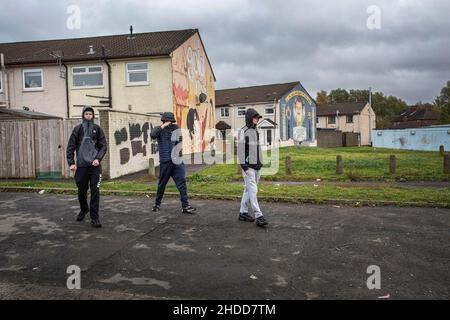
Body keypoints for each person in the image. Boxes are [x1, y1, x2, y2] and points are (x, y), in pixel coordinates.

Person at [67, 106, 107, 228]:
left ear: (93, 116)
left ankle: (94, 218)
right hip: (81, 166)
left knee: (95, 191)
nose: (88, 116)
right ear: (83, 116)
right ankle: (84, 209)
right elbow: (70, 147)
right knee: (81, 191)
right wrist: (71, 163)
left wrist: (98, 159)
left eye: (90, 114)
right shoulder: (78, 129)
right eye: (86, 114)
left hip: (94, 167)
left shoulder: (97, 129)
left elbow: (103, 146)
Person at [150, 112, 196, 214]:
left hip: (177, 162)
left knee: (182, 183)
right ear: (163, 121)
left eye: (170, 121)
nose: (169, 123)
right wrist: (163, 126)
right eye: (167, 121)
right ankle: (157, 204)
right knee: (162, 184)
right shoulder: (158, 129)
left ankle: (185, 206)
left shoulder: (176, 128)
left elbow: (179, 142)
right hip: (165, 162)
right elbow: (152, 135)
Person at [237, 108, 268, 227]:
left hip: (257, 166)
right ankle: (259, 216)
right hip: (248, 167)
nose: (257, 119)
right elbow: (240, 151)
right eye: (255, 117)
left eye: (258, 117)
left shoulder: (256, 131)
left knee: (248, 190)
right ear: (250, 118)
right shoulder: (243, 131)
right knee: (253, 191)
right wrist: (245, 168)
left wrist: (260, 163)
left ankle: (242, 213)